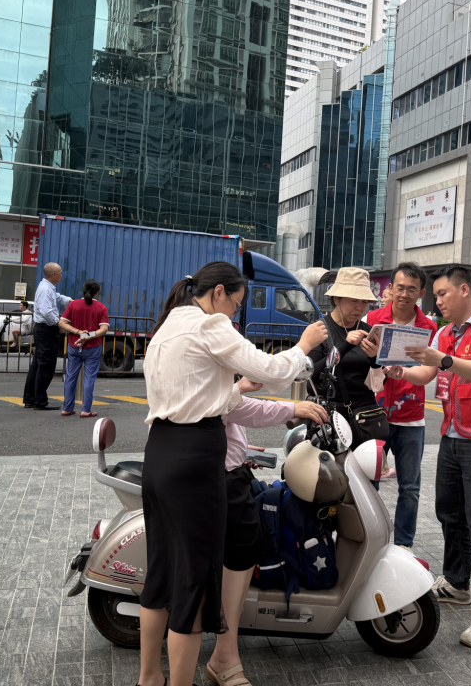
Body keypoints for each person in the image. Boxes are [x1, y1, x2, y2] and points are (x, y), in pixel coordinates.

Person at [137, 261, 328, 686]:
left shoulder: (167, 326)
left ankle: (149, 679)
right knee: (193, 583)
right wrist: (303, 345)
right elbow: (272, 370)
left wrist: (237, 391)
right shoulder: (210, 325)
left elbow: (208, 395)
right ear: (219, 292)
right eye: (236, 304)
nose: (235, 314)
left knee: (161, 573)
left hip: (160, 452)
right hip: (195, 459)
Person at [388, 265, 471, 649]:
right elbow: (426, 374)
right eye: (436, 296)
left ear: (464, 291)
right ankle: (458, 583)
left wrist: (443, 360)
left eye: (442, 294)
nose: (437, 301)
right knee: (450, 515)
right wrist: (399, 371)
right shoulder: (445, 334)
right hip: (453, 436)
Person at [207, 379, 329, 686]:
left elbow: (226, 408)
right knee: (244, 549)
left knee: (248, 543)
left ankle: (223, 652)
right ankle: (224, 656)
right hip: (218, 476)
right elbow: (235, 406)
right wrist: (293, 406)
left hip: (224, 469)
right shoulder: (201, 357)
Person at [365, 262, 437, 554]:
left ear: (421, 293)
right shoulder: (372, 320)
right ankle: (371, 538)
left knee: (410, 487)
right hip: (373, 414)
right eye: (400, 288)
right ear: (390, 288)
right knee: (370, 482)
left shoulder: (429, 328)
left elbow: (428, 373)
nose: (404, 294)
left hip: (411, 418)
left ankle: (404, 544)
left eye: (412, 289)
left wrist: (403, 372)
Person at [307, 267, 383, 449]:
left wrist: (375, 359)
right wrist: (345, 346)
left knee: (366, 468)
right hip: (330, 421)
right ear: (336, 298)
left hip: (364, 420)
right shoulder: (319, 330)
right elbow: (311, 375)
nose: (360, 307)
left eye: (364, 301)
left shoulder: (369, 331)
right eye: (353, 300)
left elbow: (378, 385)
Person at [23, 262, 71, 410]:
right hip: (46, 330)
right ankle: (40, 401)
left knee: (37, 365)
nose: (62, 276)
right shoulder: (45, 289)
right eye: (61, 273)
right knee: (46, 366)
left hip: (43, 330)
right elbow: (46, 312)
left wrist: (71, 302)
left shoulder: (47, 287)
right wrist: (59, 323)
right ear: (54, 274)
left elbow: (57, 297)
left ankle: (30, 398)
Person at [59, 279, 109, 418]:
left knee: (70, 377)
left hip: (74, 345)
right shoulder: (101, 307)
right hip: (93, 346)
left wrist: (78, 332)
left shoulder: (73, 305)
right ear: (97, 293)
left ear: (83, 290)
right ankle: (86, 410)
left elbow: (62, 323)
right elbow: (104, 329)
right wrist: (88, 335)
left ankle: (67, 408)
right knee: (89, 378)